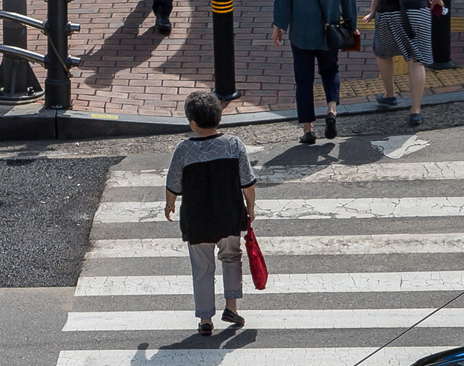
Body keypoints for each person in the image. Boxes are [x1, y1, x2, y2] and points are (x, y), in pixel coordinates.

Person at [164, 91, 257, 337]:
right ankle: (231, 308)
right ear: (219, 117)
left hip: (197, 219)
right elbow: (247, 181)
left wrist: (169, 204)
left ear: (192, 122)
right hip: (228, 214)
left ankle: (206, 319)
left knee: (202, 268)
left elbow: (173, 183)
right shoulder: (234, 144)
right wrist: (251, 207)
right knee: (231, 257)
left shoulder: (183, 150)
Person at [273, 0, 352, 145]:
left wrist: (278, 25)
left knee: (303, 80)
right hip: (328, 28)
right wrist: (351, 25)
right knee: (331, 70)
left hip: (300, 30)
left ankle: (307, 129)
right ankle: (331, 110)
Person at [368, 0, 428, 127]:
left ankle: (390, 94)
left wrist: (372, 11)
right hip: (419, 11)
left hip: (388, 13)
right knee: (416, 60)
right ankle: (415, 111)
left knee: (383, 55)